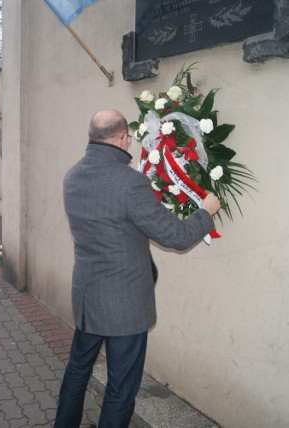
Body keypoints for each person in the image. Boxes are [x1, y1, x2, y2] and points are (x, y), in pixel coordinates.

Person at [54, 109, 221, 427]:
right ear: (121, 137)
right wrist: (206, 211)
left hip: (88, 299)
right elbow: (176, 236)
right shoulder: (130, 183)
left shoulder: (72, 176)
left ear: (91, 137)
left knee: (77, 373)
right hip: (124, 306)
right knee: (120, 389)